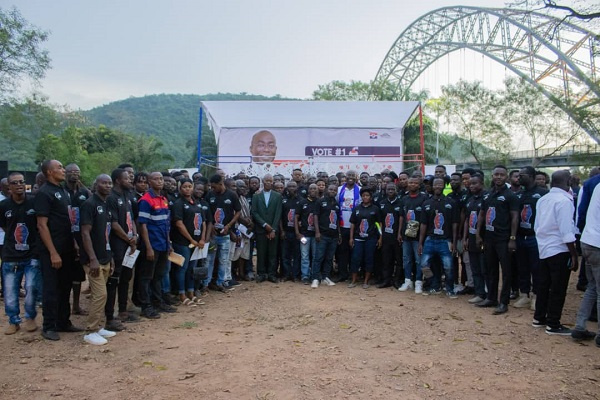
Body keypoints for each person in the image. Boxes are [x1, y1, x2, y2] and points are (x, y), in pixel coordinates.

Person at [35, 160, 83, 341]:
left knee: (65, 287)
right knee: (51, 289)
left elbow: (68, 222)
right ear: (49, 172)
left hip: (67, 248)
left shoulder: (63, 192)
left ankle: (63, 322)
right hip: (52, 251)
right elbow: (41, 225)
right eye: (60, 168)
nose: (64, 170)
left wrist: (74, 244)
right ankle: (49, 326)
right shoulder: (44, 193)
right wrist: (53, 252)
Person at [532, 170, 579, 335]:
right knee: (558, 288)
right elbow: (567, 231)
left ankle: (539, 318)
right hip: (559, 249)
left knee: (544, 285)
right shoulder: (564, 202)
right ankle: (553, 324)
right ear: (567, 182)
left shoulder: (544, 199)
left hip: (544, 247)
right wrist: (574, 254)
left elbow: (537, 226)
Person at [0, 172, 41, 335]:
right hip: (10, 255)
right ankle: (13, 320)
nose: (19, 185)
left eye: (22, 182)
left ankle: (30, 317)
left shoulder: (33, 202)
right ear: (9, 187)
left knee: (31, 288)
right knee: (10, 290)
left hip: (32, 254)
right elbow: (4, 227)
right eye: (15, 183)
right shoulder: (3, 206)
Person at [80, 174, 118, 345]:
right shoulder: (89, 204)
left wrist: (110, 258)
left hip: (105, 256)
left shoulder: (106, 204)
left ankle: (99, 326)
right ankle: (90, 331)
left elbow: (106, 234)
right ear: (96, 185)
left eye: (109, 183)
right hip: (93, 259)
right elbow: (85, 232)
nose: (108, 185)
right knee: (100, 294)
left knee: (103, 295)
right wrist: (92, 258)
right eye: (104, 183)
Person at [476, 165, 519, 315]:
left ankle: (504, 302)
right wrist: (478, 234)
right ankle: (491, 298)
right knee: (490, 270)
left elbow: (515, 217)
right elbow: (482, 215)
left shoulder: (510, 195)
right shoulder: (488, 195)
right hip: (489, 238)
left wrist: (512, 238)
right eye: (496, 174)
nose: (499, 177)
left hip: (504, 239)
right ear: (492, 176)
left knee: (506, 272)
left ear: (506, 177)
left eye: (502, 175)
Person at [137, 172, 175, 319]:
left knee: (158, 275)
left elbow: (166, 224)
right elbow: (143, 225)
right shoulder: (146, 201)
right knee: (146, 277)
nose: (159, 181)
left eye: (160, 179)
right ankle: (145, 306)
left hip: (163, 244)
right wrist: (148, 248)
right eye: (155, 179)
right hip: (152, 245)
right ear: (149, 182)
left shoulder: (164, 199)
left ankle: (158, 302)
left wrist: (169, 243)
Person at [105, 168, 138, 328]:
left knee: (126, 277)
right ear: (118, 180)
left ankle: (123, 310)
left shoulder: (127, 196)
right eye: (126, 178)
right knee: (114, 280)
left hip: (130, 245)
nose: (130, 180)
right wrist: (128, 239)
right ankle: (109, 316)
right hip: (118, 245)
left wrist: (135, 236)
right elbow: (114, 223)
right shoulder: (111, 198)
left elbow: (131, 219)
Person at [513, 166, 548, 310]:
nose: (519, 178)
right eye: (518, 175)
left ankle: (536, 295)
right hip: (521, 236)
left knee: (537, 268)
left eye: (522, 175)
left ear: (532, 176)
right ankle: (524, 295)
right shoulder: (519, 194)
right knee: (522, 267)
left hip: (535, 237)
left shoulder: (543, 193)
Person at [418, 177, 459, 298]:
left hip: (445, 241)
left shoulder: (451, 203)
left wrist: (454, 242)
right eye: (435, 184)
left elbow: (455, 225)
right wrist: (421, 243)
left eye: (440, 184)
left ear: (444, 186)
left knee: (448, 267)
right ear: (432, 186)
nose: (438, 187)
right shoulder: (427, 203)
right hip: (430, 240)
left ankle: (450, 289)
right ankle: (434, 285)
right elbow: (423, 225)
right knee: (424, 265)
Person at [571, 182, 600, 344]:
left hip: (588, 240)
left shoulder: (596, 185)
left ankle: (580, 327)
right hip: (597, 244)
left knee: (592, 287)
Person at [171, 178, 206, 305]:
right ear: (180, 188)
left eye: (189, 186)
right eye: (185, 186)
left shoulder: (197, 203)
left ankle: (191, 292)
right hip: (182, 242)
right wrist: (191, 239)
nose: (187, 189)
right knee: (182, 268)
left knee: (192, 269)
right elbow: (179, 224)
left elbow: (203, 222)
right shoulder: (178, 204)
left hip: (197, 243)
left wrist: (202, 239)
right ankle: (181, 294)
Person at [204, 173, 241, 291]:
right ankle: (206, 283)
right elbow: (206, 211)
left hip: (225, 235)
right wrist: (211, 226)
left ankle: (220, 282)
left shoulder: (232, 195)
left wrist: (229, 226)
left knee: (223, 260)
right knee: (209, 260)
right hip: (212, 235)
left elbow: (238, 211)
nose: (212, 189)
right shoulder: (210, 195)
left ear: (221, 184)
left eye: (214, 187)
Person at [64, 163, 91, 316]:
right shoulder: (61, 191)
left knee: (78, 274)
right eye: (71, 171)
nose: (74, 174)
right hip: (65, 237)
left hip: (81, 237)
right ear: (65, 173)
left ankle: (76, 306)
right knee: (65, 273)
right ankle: (63, 307)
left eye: (77, 171)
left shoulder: (83, 192)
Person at [398, 177, 428, 293]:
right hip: (406, 235)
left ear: (419, 184)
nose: (412, 184)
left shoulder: (424, 198)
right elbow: (401, 216)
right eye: (411, 182)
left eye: (415, 183)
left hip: (418, 236)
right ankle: (407, 281)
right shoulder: (404, 199)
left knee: (418, 259)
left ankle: (419, 282)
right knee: (406, 259)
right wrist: (399, 232)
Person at [348, 187, 382, 289]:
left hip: (371, 239)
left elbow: (378, 224)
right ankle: (354, 280)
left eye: (367, 195)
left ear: (371, 197)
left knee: (369, 259)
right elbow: (353, 224)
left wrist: (380, 237)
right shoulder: (357, 209)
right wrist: (351, 238)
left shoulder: (375, 209)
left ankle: (366, 281)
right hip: (358, 238)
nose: (365, 197)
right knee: (355, 259)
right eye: (363, 196)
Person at [252, 174, 282, 283]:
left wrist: (273, 229)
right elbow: (254, 212)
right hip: (261, 229)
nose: (269, 182)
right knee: (261, 252)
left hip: (273, 230)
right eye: (267, 181)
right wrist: (265, 225)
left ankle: (271, 274)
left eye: (271, 181)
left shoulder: (277, 196)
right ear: (263, 181)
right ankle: (261, 274)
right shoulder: (256, 196)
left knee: (273, 253)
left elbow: (278, 213)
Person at [462, 174, 487, 304]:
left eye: (475, 183)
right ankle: (479, 293)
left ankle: (488, 293)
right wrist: (465, 237)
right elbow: (467, 220)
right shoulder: (470, 199)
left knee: (485, 268)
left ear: (481, 184)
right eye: (470, 184)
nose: (472, 186)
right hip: (471, 239)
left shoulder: (487, 198)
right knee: (475, 267)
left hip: (483, 239)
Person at [311, 184, 340, 288]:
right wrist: (317, 232)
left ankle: (325, 277)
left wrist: (339, 234)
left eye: (335, 190)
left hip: (333, 236)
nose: (333, 191)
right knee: (318, 257)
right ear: (327, 190)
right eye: (331, 189)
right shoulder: (320, 201)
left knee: (329, 258)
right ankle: (315, 278)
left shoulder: (336, 204)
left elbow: (336, 220)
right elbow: (315, 217)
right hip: (323, 234)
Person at [336, 170, 361, 282]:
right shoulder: (339, 189)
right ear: (345, 177)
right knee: (342, 252)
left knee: (354, 252)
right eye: (348, 175)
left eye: (352, 176)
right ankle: (342, 274)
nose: (350, 178)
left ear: (356, 178)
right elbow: (336, 205)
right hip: (342, 226)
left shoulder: (360, 190)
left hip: (354, 227)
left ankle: (353, 274)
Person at [378, 183, 403, 288]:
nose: (391, 190)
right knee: (386, 260)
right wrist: (380, 236)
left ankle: (397, 281)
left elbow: (402, 219)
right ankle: (386, 280)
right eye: (389, 189)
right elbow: (379, 222)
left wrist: (399, 233)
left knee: (399, 260)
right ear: (386, 190)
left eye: (393, 188)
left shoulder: (400, 203)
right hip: (385, 237)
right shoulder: (382, 203)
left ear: (396, 190)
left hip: (397, 237)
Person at [295, 183, 319, 284]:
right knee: (304, 256)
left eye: (315, 188)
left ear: (318, 190)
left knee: (315, 256)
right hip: (304, 235)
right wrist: (297, 233)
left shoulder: (320, 202)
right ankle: (305, 276)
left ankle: (314, 275)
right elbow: (296, 218)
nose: (313, 190)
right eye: (311, 188)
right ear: (308, 190)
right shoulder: (302, 202)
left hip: (316, 235)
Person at [280, 180, 301, 281]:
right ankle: (286, 274)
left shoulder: (301, 200)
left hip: (297, 233)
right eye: (290, 186)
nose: (292, 188)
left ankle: (296, 275)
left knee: (297, 255)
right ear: (287, 188)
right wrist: (282, 230)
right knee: (285, 255)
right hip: (286, 231)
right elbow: (279, 217)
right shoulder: (283, 200)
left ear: (297, 188)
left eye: (294, 186)